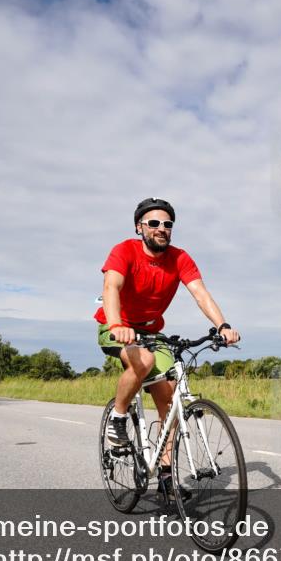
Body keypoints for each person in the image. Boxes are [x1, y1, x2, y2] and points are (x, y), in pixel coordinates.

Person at [95, 197, 240, 499]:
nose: (162, 228)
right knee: (143, 361)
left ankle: (164, 475)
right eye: (154, 223)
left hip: (151, 331)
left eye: (167, 224)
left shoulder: (180, 258)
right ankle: (119, 418)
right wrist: (116, 324)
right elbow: (112, 287)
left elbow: (200, 293)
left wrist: (223, 325)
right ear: (140, 227)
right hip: (116, 326)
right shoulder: (125, 251)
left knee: (170, 399)